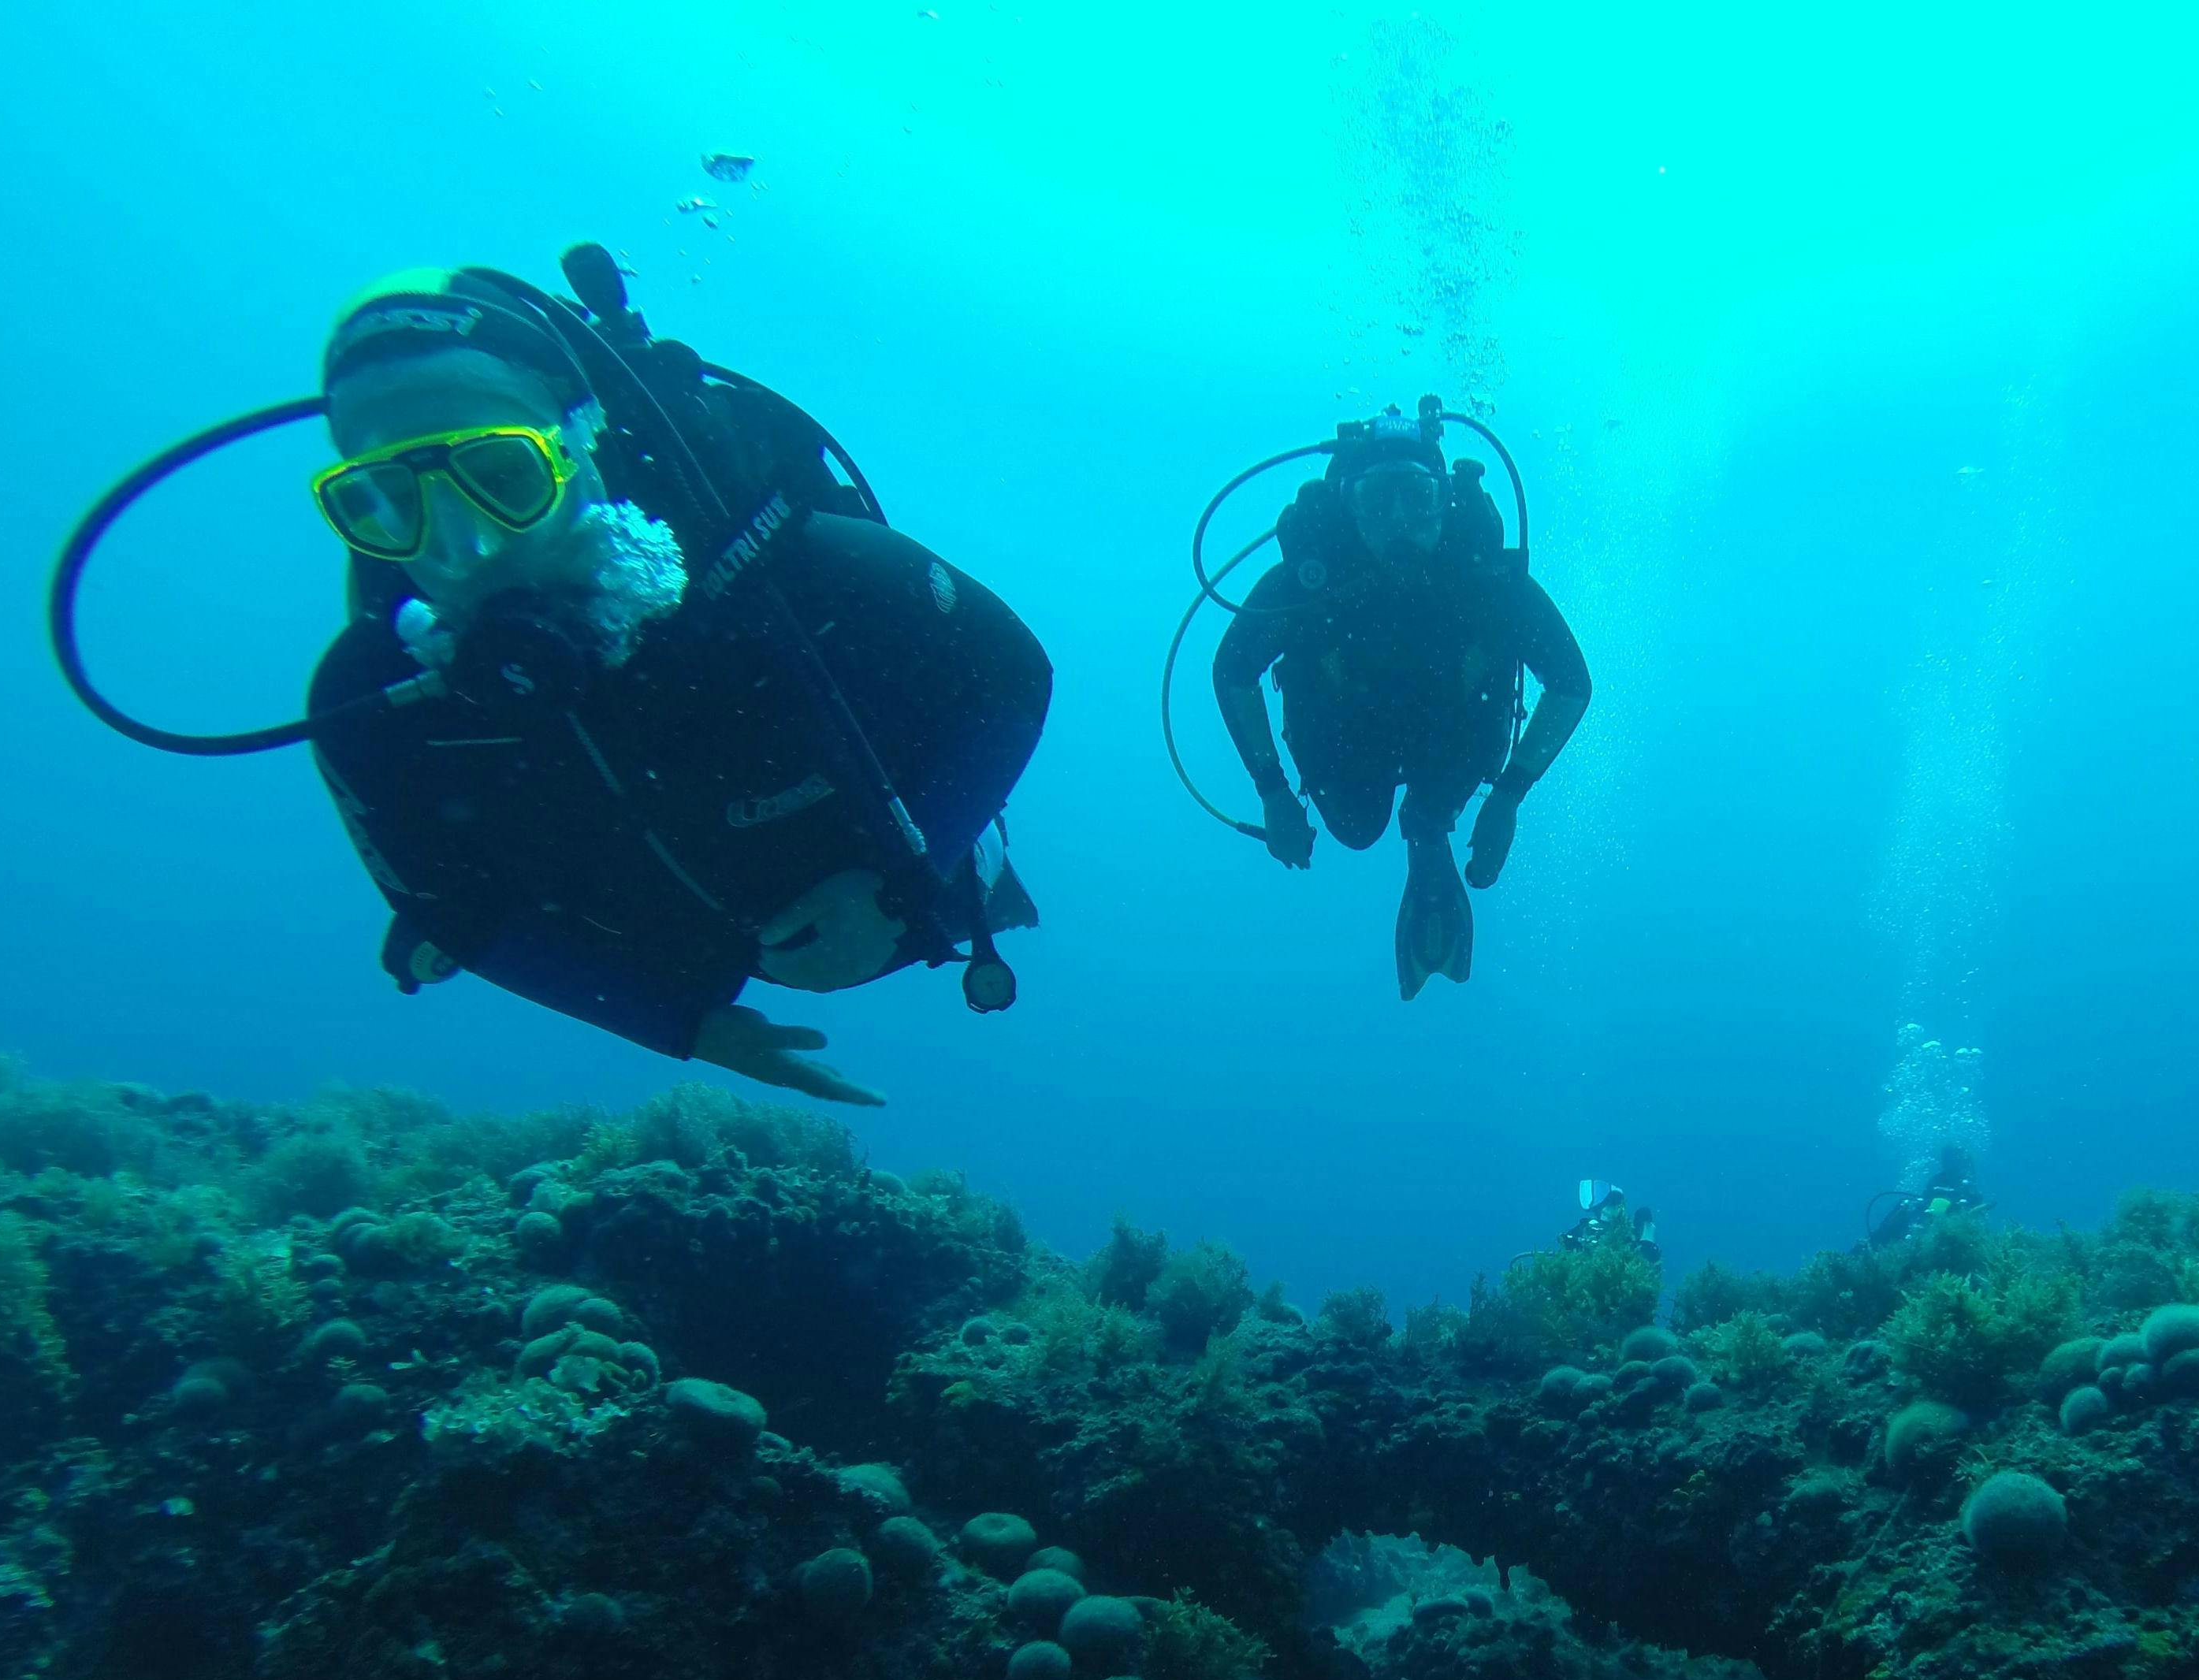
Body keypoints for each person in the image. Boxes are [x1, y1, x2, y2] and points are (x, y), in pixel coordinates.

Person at [302, 254, 1050, 1104]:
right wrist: (681, 1023)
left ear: (581, 441)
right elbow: (451, 910)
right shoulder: (367, 704)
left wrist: (906, 877)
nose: (464, 547)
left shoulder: (784, 567)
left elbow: (1011, 672)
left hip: (901, 870)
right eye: (391, 503)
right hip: (678, 938)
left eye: (505, 477)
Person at [1211, 407, 1591, 998]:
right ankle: (1426, 826)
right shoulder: (1308, 582)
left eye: (1417, 497)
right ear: (1347, 506)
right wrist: (1274, 792)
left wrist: (1509, 798)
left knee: (1430, 811)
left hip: (1453, 742)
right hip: (1345, 746)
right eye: (1376, 500)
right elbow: (1233, 670)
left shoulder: (1486, 578)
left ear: (1446, 501)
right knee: (1357, 829)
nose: (1399, 521)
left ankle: (1428, 834)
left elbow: (1571, 682)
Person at [1866, 1144, 1985, 1249]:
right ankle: (1871, 1245)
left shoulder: (1967, 1186)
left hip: (1942, 1236)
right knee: (1903, 1210)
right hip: (1926, 1227)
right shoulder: (1939, 1180)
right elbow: (1929, 1205)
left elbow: (1975, 1213)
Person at [1561, 1180, 1661, 1264]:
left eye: (1621, 1202)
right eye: (1614, 1202)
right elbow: (1645, 1265)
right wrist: (1648, 1237)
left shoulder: (1626, 1234)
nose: (1620, 1207)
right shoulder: (1586, 1231)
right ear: (1600, 1209)